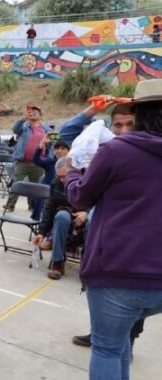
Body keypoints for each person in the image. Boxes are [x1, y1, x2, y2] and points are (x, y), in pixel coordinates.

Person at [64, 79, 162, 380]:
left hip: (118, 271)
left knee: (107, 348)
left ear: (139, 113)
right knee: (118, 346)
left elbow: (80, 196)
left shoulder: (116, 151)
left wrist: (69, 175)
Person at [32, 158, 87, 280]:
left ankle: (87, 266)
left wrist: (86, 213)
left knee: (92, 221)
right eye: (59, 176)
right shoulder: (55, 183)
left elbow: (100, 204)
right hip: (66, 215)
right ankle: (57, 263)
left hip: (86, 216)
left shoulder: (89, 181)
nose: (62, 180)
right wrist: (41, 233)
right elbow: (49, 209)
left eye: (64, 177)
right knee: (61, 216)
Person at [3, 105, 50, 212]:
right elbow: (15, 129)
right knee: (16, 182)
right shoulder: (24, 126)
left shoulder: (46, 129)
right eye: (31, 112)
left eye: (36, 112)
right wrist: (22, 119)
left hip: (38, 163)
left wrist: (48, 156)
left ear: (41, 116)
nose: (33, 113)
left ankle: (32, 205)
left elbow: (54, 140)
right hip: (22, 161)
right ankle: (10, 205)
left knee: (36, 187)